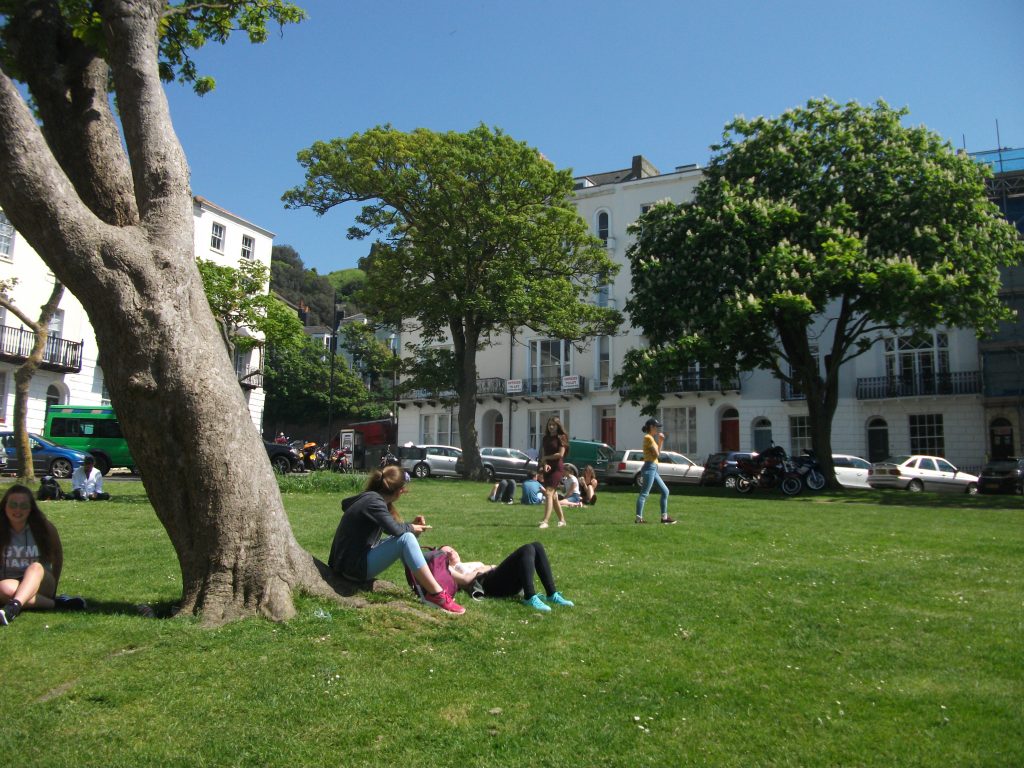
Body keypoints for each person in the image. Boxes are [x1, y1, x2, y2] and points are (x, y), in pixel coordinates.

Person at [328, 465, 464, 614]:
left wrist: (412, 527)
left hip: (345, 565)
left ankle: (427, 589)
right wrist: (411, 528)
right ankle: (437, 595)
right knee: (406, 539)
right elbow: (398, 531)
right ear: (400, 491)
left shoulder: (370, 498)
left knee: (406, 538)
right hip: (353, 569)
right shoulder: (374, 503)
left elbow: (392, 529)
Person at [1, 485, 85, 625]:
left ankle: (13, 607)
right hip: (12, 581)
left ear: (31, 509)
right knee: (3, 589)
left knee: (35, 567)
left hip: (42, 581)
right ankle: (54, 604)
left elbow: (57, 556)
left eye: (23, 506)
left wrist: (55, 586)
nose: (18, 510)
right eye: (13, 505)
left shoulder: (44, 527)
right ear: (5, 507)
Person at [441, 542, 574, 613]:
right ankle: (529, 597)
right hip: (488, 584)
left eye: (451, 549)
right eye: (446, 552)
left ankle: (552, 594)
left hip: (496, 577)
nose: (450, 552)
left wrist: (486, 567)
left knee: (537, 546)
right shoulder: (449, 569)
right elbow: (465, 581)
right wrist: (485, 568)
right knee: (527, 548)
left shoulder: (470, 562)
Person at [635, 418, 676, 524]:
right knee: (644, 494)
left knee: (665, 491)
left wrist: (660, 441)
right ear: (651, 427)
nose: (658, 429)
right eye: (656, 427)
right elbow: (657, 454)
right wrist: (661, 441)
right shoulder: (648, 438)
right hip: (649, 468)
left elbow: (657, 453)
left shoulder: (651, 438)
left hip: (653, 468)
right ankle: (639, 519)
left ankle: (664, 518)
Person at [538, 417, 568, 529]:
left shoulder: (561, 437)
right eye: (549, 425)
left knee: (549, 493)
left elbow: (560, 454)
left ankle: (545, 521)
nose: (551, 427)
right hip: (548, 468)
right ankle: (562, 520)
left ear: (558, 426)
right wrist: (545, 463)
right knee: (554, 496)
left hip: (557, 468)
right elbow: (543, 454)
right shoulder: (545, 438)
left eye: (553, 425)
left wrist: (546, 457)